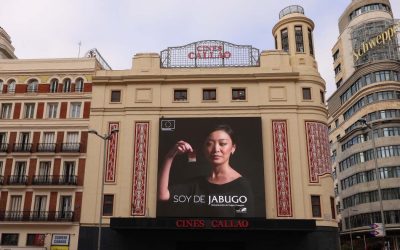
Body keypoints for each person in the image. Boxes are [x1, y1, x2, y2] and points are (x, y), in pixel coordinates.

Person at [158, 124, 254, 217]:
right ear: (204, 149)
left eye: (222, 144)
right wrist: (170, 156)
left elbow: (246, 223)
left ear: (233, 148)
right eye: (209, 144)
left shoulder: (241, 186)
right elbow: (162, 195)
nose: (216, 149)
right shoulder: (197, 184)